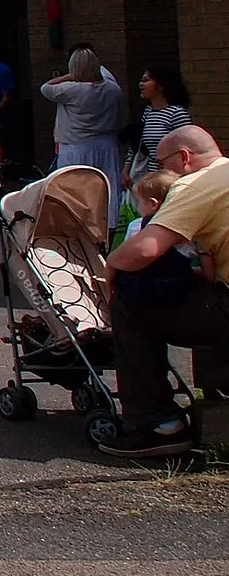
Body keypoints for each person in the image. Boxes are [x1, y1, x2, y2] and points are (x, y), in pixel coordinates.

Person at [100, 127, 229, 457]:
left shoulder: (193, 185)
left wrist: (111, 265)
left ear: (184, 158)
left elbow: (146, 250)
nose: (158, 174)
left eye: (161, 164)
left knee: (130, 299)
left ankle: (156, 423)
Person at [42, 47, 126, 229]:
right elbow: (105, 73)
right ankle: (109, 226)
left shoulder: (71, 90)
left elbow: (46, 87)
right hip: (106, 145)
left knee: (76, 191)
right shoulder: (113, 89)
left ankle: (77, 226)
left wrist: (70, 76)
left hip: (76, 147)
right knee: (107, 190)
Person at [130, 65, 194, 184]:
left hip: (171, 179)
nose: (141, 85)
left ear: (161, 85)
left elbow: (187, 147)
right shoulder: (148, 113)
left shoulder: (177, 113)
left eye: (146, 80)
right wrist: (127, 168)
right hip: (151, 177)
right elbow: (137, 144)